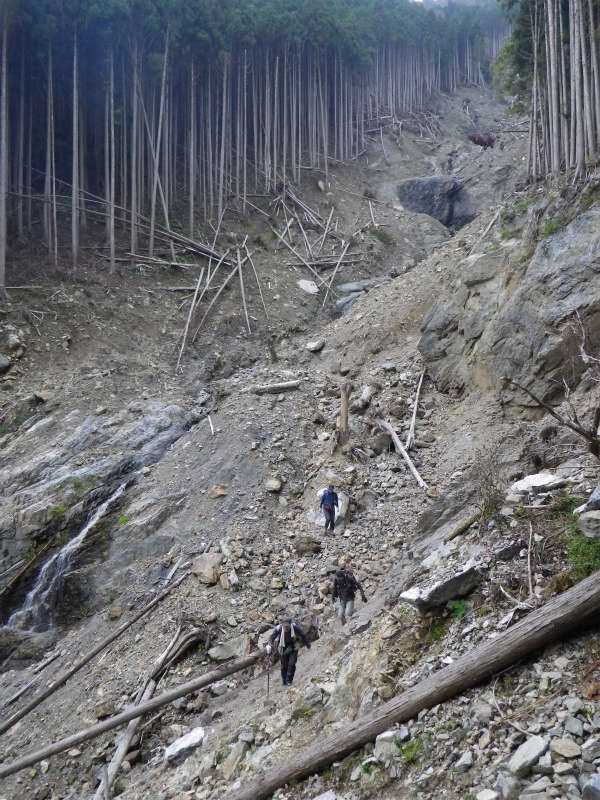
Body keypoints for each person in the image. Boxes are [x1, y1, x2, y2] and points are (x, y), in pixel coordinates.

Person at [266, 618, 311, 686]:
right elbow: (272, 637)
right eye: (284, 626)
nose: (286, 628)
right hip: (283, 647)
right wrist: (269, 644)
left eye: (287, 626)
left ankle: (289, 680)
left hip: (293, 647)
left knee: (292, 664)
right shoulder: (279, 628)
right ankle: (284, 681)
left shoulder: (295, 628)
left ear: (290, 625)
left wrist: (308, 645)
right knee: (284, 665)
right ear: (282, 625)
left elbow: (303, 635)